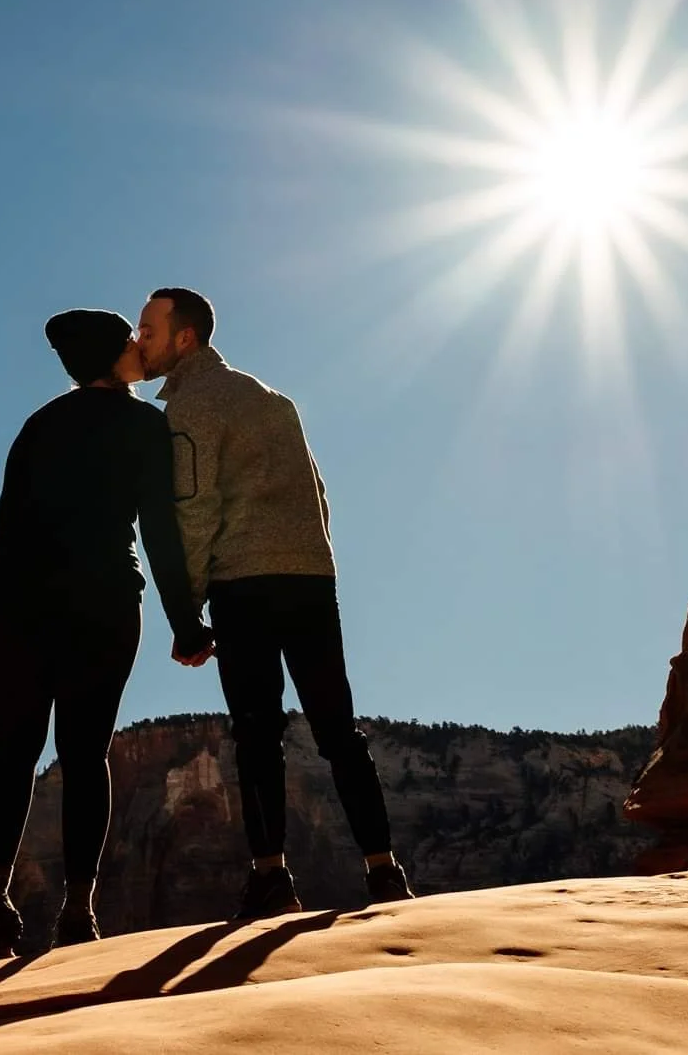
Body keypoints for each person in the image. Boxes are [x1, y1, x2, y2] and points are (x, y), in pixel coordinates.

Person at [135, 286, 414, 919]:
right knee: (338, 727)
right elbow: (319, 493)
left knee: (257, 733)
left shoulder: (192, 407)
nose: (140, 342)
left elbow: (196, 510)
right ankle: (383, 870)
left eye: (149, 330)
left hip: (244, 583)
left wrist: (189, 611)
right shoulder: (272, 398)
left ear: (185, 339)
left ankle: (270, 878)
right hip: (311, 576)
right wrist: (313, 561)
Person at [0, 309, 215, 962]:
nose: (140, 344)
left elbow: (6, 528)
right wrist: (186, 621)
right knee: (85, 757)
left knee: (12, 753)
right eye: (129, 339)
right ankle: (78, 913)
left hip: (20, 609)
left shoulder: (39, 425)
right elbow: (160, 532)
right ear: (112, 357)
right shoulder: (144, 425)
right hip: (104, 607)